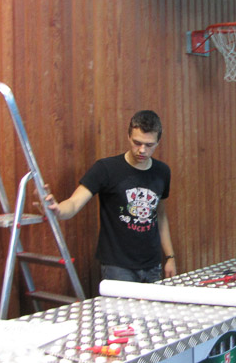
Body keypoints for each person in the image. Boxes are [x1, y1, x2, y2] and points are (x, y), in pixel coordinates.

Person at [46, 110, 176, 283]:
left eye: (149, 145)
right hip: (118, 267)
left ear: (158, 142)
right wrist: (57, 210)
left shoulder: (162, 172)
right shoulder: (106, 169)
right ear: (128, 136)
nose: (142, 150)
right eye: (137, 143)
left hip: (152, 264)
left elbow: (160, 215)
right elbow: (74, 203)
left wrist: (170, 257)